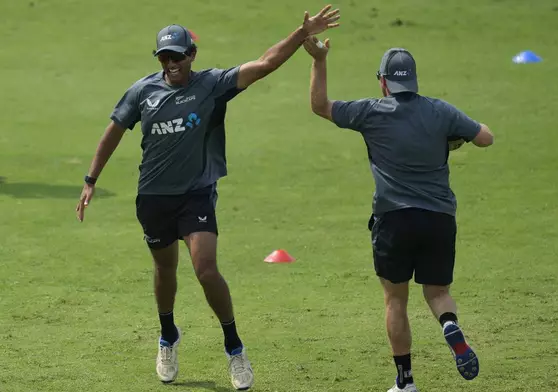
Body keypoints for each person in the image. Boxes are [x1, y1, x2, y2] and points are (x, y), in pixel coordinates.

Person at [75, 7, 340, 389]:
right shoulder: (142, 92)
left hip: (196, 194)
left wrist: (302, 34)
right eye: (164, 58)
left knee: (205, 270)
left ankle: (235, 349)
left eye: (177, 56)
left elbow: (265, 64)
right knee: (165, 271)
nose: (171, 64)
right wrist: (90, 179)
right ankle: (168, 336)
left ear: (191, 55)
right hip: (153, 197)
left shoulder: (212, 85)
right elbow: (114, 130)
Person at [301, 36, 494, 392]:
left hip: (394, 220)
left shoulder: (370, 111)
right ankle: (449, 324)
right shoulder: (441, 111)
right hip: (438, 218)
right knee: (438, 294)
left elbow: (319, 105)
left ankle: (405, 382)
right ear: (414, 80)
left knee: (395, 301)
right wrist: (457, 137)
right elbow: (486, 137)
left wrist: (319, 60)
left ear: (383, 82)